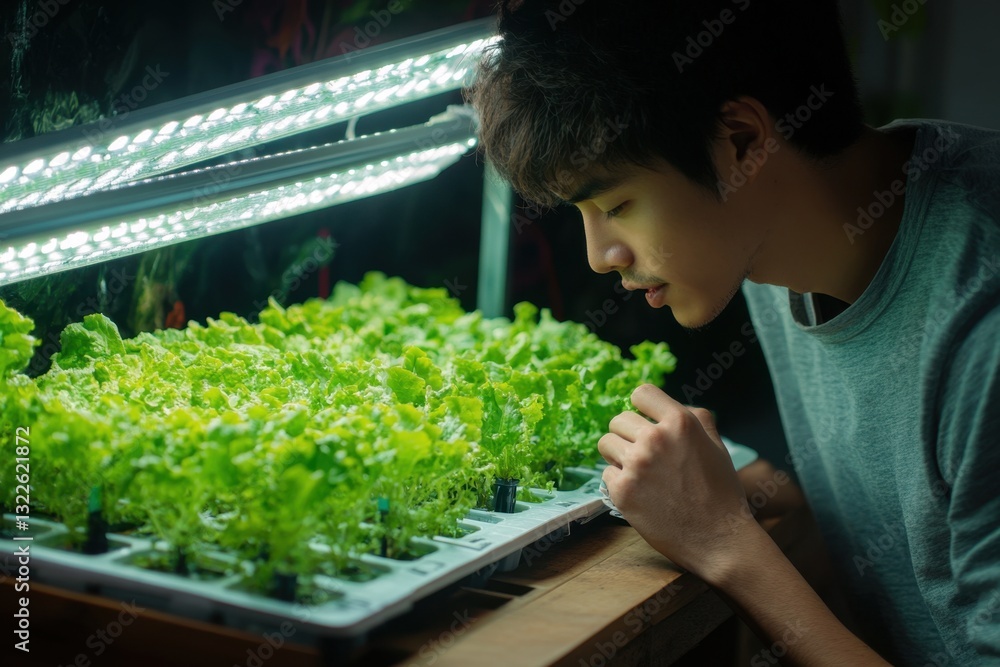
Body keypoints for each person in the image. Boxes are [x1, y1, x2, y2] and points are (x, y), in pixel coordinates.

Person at [465, 1, 1000, 664]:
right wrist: (750, 503)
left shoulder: (983, 329)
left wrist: (724, 541)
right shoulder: (772, 245)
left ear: (743, 141)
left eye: (616, 205)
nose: (600, 254)